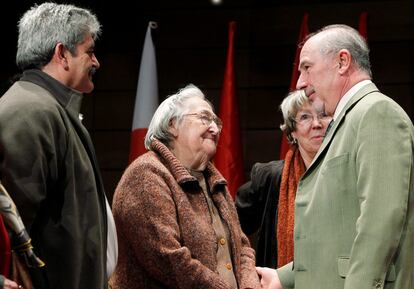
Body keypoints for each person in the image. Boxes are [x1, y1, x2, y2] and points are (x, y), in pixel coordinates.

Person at [257, 24, 414, 289]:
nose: (300, 83)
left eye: (307, 68)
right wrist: (284, 276)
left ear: (342, 62)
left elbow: (381, 221)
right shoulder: (350, 118)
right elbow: (339, 232)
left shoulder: (377, 112)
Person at [0, 3, 118, 289]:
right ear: (62, 53)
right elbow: (8, 229)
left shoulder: (47, 108)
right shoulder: (29, 111)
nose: (96, 62)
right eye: (89, 51)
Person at [110, 84, 261, 289]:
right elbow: (168, 258)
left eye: (216, 122)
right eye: (204, 118)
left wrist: (250, 286)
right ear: (173, 125)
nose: (215, 128)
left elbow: (242, 247)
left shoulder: (215, 182)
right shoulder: (146, 175)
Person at [236, 89, 331, 269]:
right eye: (305, 117)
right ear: (292, 131)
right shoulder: (270, 177)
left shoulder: (349, 172)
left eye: (323, 115)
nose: (317, 124)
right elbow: (229, 228)